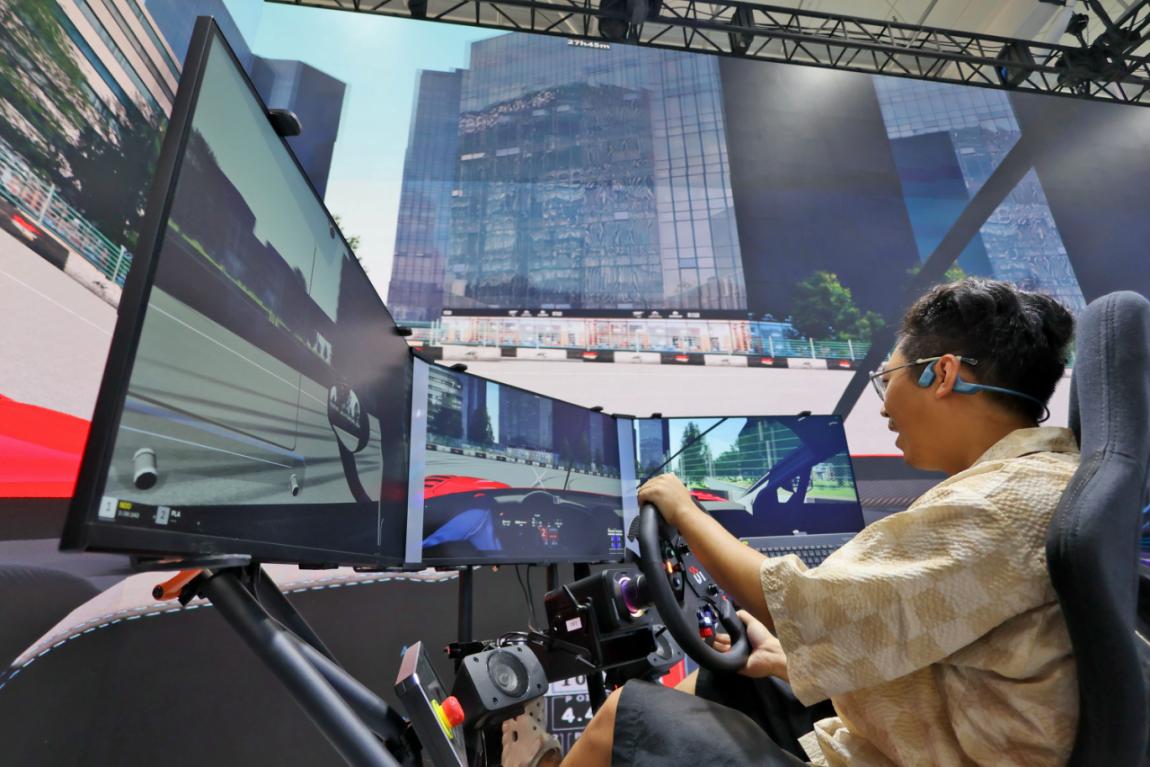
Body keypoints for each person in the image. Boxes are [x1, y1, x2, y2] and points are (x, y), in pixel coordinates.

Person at [506, 278, 1079, 767]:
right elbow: (945, 655)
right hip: (919, 738)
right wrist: (786, 660)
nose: (883, 406)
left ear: (942, 374)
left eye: (888, 380)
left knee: (624, 713)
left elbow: (801, 605)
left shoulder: (993, 507)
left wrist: (682, 509)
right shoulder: (1036, 480)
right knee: (729, 675)